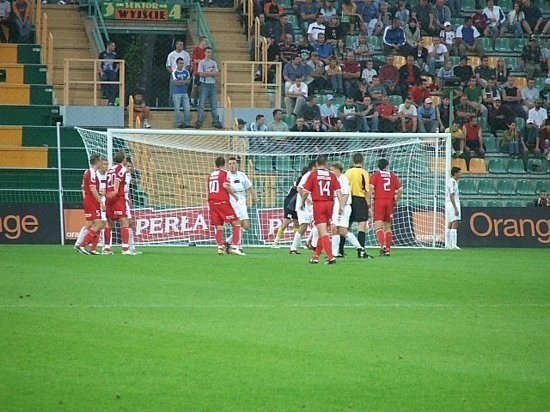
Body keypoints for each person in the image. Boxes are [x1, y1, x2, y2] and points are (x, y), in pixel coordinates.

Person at [301, 155, 343, 264]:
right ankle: (315, 257)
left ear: (316, 164)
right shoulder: (332, 175)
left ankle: (331, 257)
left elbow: (305, 191)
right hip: (330, 204)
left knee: (323, 232)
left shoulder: (314, 175)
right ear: (326, 163)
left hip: (319, 204)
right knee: (321, 232)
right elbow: (338, 191)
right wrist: (342, 205)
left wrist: (302, 202)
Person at [208, 157, 244, 256]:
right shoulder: (224, 173)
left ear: (215, 164)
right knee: (236, 223)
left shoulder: (211, 175)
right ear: (224, 164)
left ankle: (220, 247)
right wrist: (234, 195)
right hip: (222, 201)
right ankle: (235, 247)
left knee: (219, 226)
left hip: (212, 202)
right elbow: (225, 186)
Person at [330, 161, 366, 259]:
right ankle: (334, 253)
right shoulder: (337, 179)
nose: (331, 172)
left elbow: (345, 193)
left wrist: (341, 206)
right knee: (335, 229)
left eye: (332, 170)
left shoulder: (343, 179)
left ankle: (359, 248)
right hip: (338, 205)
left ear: (338, 169)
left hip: (343, 206)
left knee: (342, 231)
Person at [369, 158, 403, 256]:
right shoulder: (393, 176)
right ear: (387, 166)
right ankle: (387, 250)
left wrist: (369, 202)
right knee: (387, 227)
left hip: (379, 201)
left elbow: (371, 189)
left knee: (378, 226)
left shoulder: (375, 175)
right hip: (389, 202)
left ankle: (383, 245)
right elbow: (400, 189)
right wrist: (396, 199)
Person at [104, 151, 136, 255]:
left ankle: (107, 248)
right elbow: (118, 179)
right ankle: (125, 249)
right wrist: (116, 190)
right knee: (125, 222)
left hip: (108, 197)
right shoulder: (121, 168)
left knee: (109, 223)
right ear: (124, 159)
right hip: (117, 198)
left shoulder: (110, 169)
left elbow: (107, 181)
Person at [224, 157, 257, 253]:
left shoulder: (242, 175)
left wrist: (255, 197)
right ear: (227, 165)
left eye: (234, 163)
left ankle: (228, 241)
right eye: (230, 164)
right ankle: (238, 246)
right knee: (237, 224)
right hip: (232, 200)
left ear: (237, 164)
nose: (232, 166)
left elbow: (249, 187)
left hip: (242, 200)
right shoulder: (226, 176)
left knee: (246, 225)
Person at [272, 167, 310, 248]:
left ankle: (297, 242)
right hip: (290, 202)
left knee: (296, 223)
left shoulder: (305, 180)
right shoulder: (301, 180)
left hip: (296, 203)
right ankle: (275, 242)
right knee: (286, 222)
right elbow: (300, 190)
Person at [74, 154, 105, 255]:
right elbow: (92, 188)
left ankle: (92, 248)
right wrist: (101, 201)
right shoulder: (91, 172)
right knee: (98, 224)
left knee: (95, 224)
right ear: (97, 162)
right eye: (100, 161)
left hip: (91, 200)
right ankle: (82, 245)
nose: (101, 163)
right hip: (91, 200)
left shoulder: (90, 172)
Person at [345, 153, 372, 258]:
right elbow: (367, 190)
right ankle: (361, 251)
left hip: (349, 200)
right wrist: (368, 205)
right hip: (360, 200)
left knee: (346, 226)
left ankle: (340, 250)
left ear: (353, 161)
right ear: (362, 161)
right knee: (362, 226)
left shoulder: (347, 172)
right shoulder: (364, 173)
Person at [290, 159, 317, 254]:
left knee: (311, 224)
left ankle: (310, 243)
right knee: (305, 226)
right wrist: (306, 200)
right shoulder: (308, 175)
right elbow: (299, 188)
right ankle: (309, 244)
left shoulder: (314, 175)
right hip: (303, 205)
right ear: (313, 167)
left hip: (308, 204)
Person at [196, 47, 223, 129]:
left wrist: (207, 73)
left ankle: (216, 121)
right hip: (204, 84)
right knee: (201, 104)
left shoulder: (213, 63)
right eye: (207, 52)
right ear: (204, 53)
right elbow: (200, 74)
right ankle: (199, 121)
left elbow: (216, 73)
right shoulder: (201, 62)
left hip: (212, 84)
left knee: (214, 105)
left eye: (210, 52)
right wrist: (210, 73)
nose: (209, 54)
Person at [166, 39, 191, 103]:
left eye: (182, 44)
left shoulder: (186, 54)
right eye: (179, 44)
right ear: (176, 45)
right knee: (172, 92)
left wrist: (185, 73)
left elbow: (188, 65)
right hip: (174, 76)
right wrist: (173, 74)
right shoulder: (171, 55)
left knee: (184, 92)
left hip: (183, 76)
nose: (181, 46)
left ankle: (182, 107)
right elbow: (168, 66)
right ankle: (171, 108)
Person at [172, 57, 192, 129]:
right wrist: (184, 82)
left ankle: (187, 122)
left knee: (187, 108)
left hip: (184, 92)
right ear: (177, 64)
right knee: (177, 108)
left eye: (182, 63)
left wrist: (181, 81)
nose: (181, 65)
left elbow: (188, 81)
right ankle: (179, 123)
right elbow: (175, 82)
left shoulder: (186, 72)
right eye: (180, 63)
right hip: (176, 93)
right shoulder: (174, 72)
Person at [97, 41, 119, 106]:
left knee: (113, 85)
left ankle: (111, 101)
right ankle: (105, 94)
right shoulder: (102, 54)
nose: (114, 47)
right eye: (112, 46)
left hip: (112, 71)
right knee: (103, 79)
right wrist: (101, 71)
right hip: (104, 71)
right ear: (108, 46)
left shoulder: (115, 55)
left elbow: (118, 64)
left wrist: (115, 71)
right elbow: (99, 63)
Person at [445, 166, 462, 250]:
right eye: (460, 172)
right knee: (455, 223)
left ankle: (448, 244)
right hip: (453, 204)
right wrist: (455, 208)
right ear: (455, 173)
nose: (461, 174)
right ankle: (453, 245)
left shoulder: (453, 181)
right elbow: (451, 195)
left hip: (450, 204)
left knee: (450, 223)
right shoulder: (452, 182)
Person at [191, 36, 208, 107]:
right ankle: (191, 101)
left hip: (204, 72)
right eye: (205, 41)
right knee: (195, 86)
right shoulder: (196, 50)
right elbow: (195, 60)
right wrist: (202, 61)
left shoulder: (206, 51)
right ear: (201, 41)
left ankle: (199, 102)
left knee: (202, 88)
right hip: (197, 71)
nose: (206, 43)